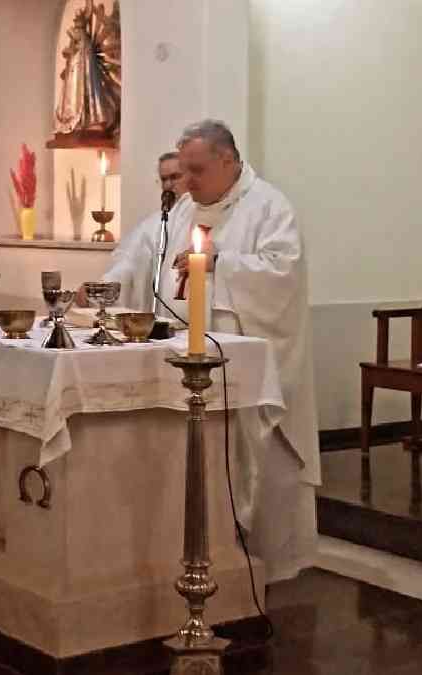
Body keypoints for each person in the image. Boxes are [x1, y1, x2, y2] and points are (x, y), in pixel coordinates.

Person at [106, 119, 319, 583]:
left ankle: (263, 569)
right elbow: (148, 260)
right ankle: (200, 560)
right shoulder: (185, 209)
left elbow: (283, 276)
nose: (189, 181)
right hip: (186, 361)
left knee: (258, 467)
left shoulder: (268, 207)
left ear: (228, 160)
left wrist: (223, 261)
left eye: (197, 170)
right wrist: (110, 287)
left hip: (248, 370)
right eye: (184, 171)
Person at [91, 151, 188, 311]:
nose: (169, 185)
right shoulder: (154, 224)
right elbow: (128, 261)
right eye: (164, 179)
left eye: (175, 177)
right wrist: (102, 289)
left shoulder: (201, 217)